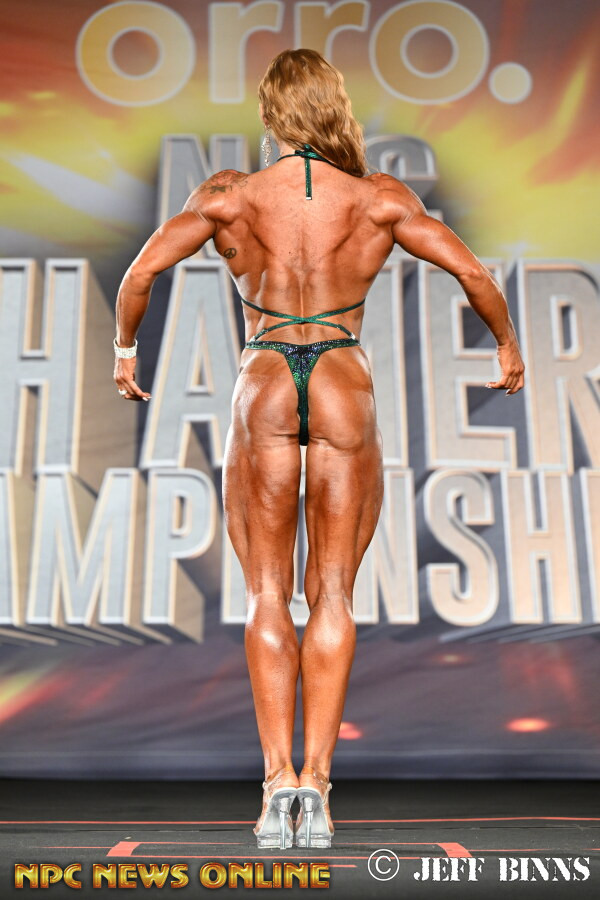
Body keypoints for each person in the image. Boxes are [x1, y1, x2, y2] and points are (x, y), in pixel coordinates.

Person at [113, 48, 525, 850]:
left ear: (271, 115)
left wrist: (126, 352)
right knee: (332, 592)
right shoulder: (378, 200)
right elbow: (474, 274)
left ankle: (277, 789)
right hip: (342, 375)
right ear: (334, 111)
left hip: (265, 375)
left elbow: (139, 274)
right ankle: (318, 790)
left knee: (267, 593)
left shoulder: (229, 197)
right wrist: (507, 345)